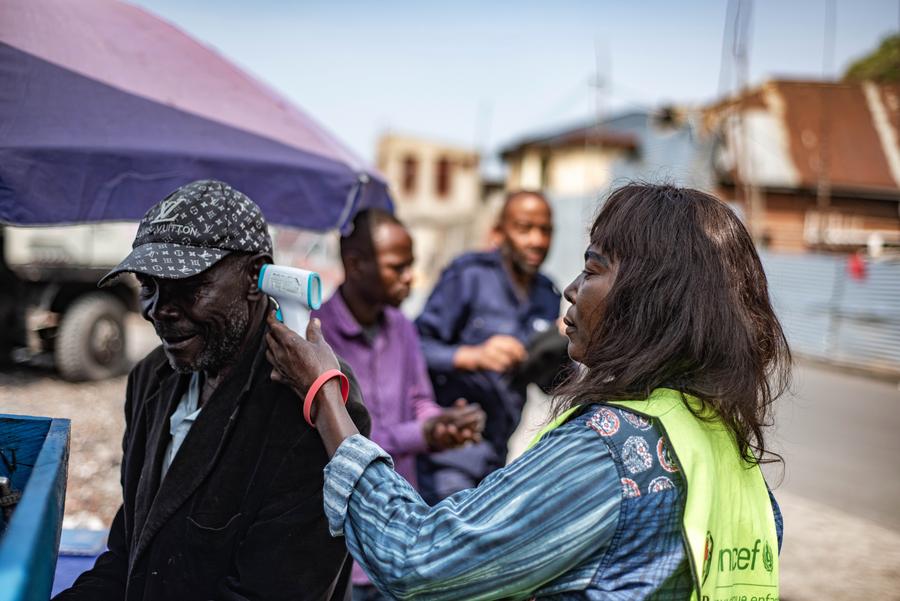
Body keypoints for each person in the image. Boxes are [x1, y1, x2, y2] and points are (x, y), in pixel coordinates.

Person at [265, 183, 789, 600]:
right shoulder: (729, 452)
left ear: (649, 301)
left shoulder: (610, 449)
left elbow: (418, 560)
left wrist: (323, 393)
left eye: (592, 268)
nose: (571, 288)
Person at [55, 180, 370, 601]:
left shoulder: (310, 407)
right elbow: (131, 552)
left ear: (256, 278)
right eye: (148, 286)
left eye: (188, 286)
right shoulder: (153, 377)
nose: (160, 311)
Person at [312, 208, 485, 601]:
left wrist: (445, 423)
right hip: (339, 539)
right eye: (397, 267)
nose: (410, 277)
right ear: (355, 265)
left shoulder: (403, 329)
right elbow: (340, 436)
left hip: (398, 528)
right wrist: (422, 434)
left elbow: (420, 401)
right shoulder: (316, 336)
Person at [415, 190, 561, 501]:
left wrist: (560, 348)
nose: (536, 240)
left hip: (498, 455)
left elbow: (549, 384)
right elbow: (415, 347)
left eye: (545, 230)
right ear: (499, 232)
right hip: (449, 450)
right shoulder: (469, 276)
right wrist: (473, 356)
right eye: (524, 228)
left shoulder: (549, 295)